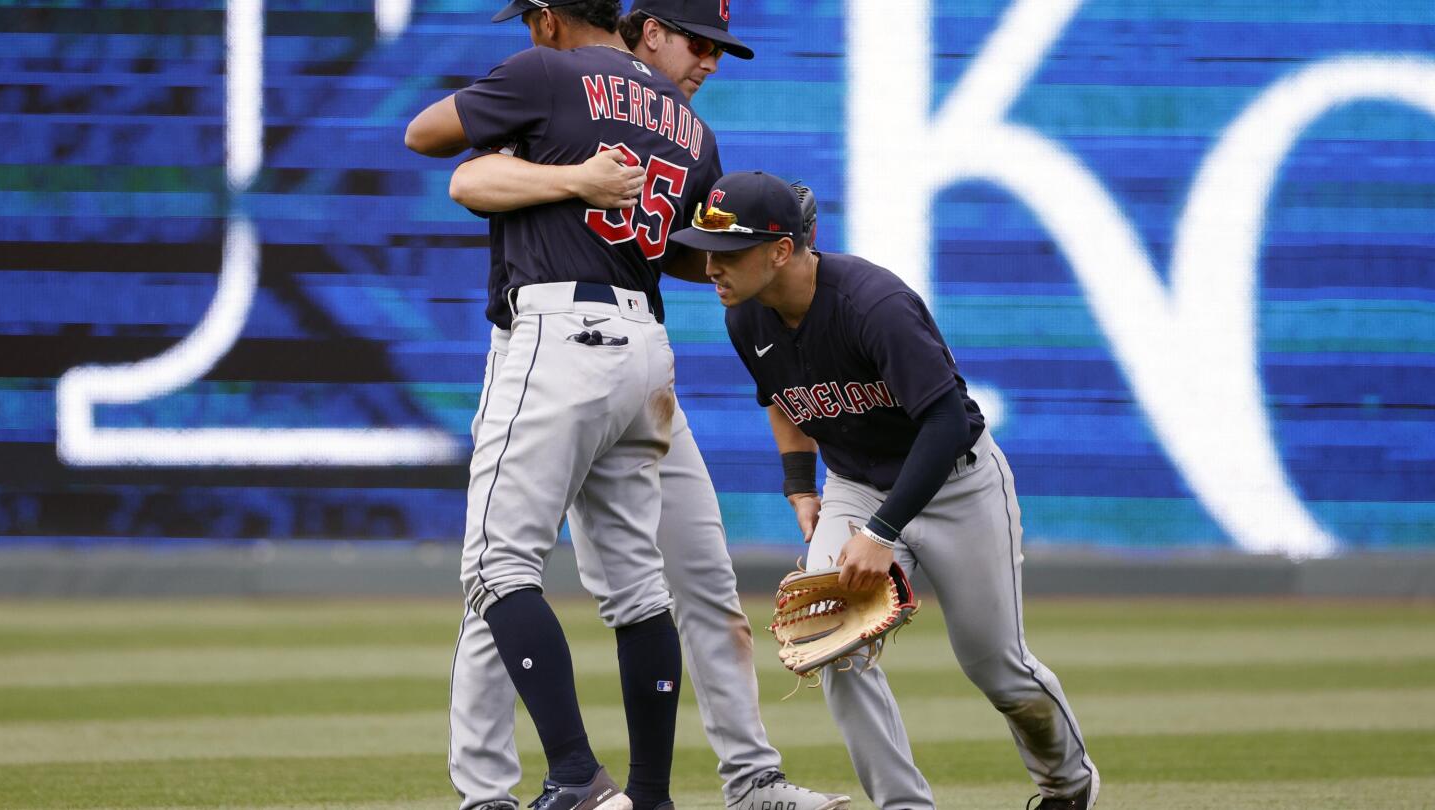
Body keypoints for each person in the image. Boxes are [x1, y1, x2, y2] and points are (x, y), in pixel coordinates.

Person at [435, 4, 846, 809]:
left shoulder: (679, 126)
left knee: (664, 575)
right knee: (509, 572)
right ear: (648, 27)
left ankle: (740, 781)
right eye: (702, 41)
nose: (713, 62)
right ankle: (490, 789)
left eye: (722, 49)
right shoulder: (558, 80)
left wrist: (763, 246)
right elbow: (462, 172)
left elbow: (689, 256)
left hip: (614, 349)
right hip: (561, 344)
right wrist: (578, 180)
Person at [668, 171, 1102, 810]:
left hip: (958, 485)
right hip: (855, 485)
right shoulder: (745, 317)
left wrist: (880, 534)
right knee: (833, 642)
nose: (711, 265)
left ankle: (1068, 786)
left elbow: (947, 422)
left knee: (997, 666)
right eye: (707, 247)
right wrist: (800, 487)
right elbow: (784, 401)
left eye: (728, 251)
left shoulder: (872, 304)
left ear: (782, 249)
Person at [404, 3, 723, 809]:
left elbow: (427, 136)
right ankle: (650, 795)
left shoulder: (544, 71)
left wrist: (565, 174)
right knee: (637, 588)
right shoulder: (688, 125)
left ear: (547, 18)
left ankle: (576, 774)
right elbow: (688, 250)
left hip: (560, 331)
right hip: (644, 345)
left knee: (497, 564)